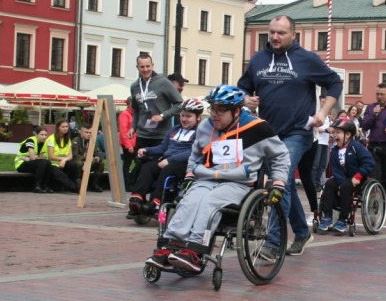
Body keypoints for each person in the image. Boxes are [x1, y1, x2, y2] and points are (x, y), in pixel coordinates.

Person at [143, 85, 290, 273]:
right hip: (206, 179)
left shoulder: (257, 128)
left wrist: (278, 183)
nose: (214, 115)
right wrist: (189, 175)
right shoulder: (205, 127)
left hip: (238, 183)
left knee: (210, 202)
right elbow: (195, 154)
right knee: (189, 201)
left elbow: (280, 155)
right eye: (212, 109)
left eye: (220, 111)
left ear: (236, 111)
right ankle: (170, 246)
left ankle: (195, 250)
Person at [238, 15, 342, 258]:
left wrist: (323, 112)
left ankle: (274, 243)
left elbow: (334, 82)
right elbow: (242, 87)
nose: (275, 36)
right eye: (272, 31)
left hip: (298, 132)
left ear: (293, 35)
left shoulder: (307, 59)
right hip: (268, 133)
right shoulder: (258, 59)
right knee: (285, 186)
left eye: (281, 33)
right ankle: (301, 233)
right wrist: (245, 99)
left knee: (279, 179)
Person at [127, 98, 204, 222]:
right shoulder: (174, 130)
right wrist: (147, 150)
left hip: (184, 163)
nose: (184, 119)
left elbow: (193, 152)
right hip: (166, 159)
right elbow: (163, 147)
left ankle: (157, 203)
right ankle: (137, 199)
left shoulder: (200, 132)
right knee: (147, 167)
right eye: (182, 115)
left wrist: (170, 160)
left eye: (188, 116)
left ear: (198, 118)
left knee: (167, 170)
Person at [317, 119, 375, 234]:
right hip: (342, 178)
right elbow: (336, 169)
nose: (334, 135)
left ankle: (343, 219)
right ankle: (327, 216)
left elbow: (369, 163)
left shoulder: (356, 147)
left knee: (346, 186)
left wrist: (358, 176)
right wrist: (339, 184)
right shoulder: (334, 150)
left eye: (338, 132)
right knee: (329, 184)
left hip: (357, 178)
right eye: (333, 132)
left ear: (348, 134)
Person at [129, 51, 183, 150]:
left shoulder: (163, 82)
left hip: (161, 135)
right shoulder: (134, 86)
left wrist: (163, 116)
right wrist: (133, 127)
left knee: (156, 165)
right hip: (142, 135)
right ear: (137, 67)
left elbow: (180, 104)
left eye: (147, 66)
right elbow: (136, 109)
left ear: (152, 65)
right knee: (140, 164)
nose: (145, 69)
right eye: (142, 67)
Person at [360, 83, 386, 202]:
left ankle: (383, 202)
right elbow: (364, 125)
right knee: (374, 175)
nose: (379, 97)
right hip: (374, 145)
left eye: (382, 94)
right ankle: (372, 201)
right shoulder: (371, 108)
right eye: (377, 94)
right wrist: (374, 115)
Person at [15, 125, 54, 194]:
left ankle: (45, 186)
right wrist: (33, 157)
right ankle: (37, 186)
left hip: (30, 162)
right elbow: (33, 157)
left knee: (47, 163)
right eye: (42, 135)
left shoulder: (44, 143)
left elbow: (39, 157)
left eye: (45, 135)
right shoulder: (31, 140)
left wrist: (31, 158)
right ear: (36, 134)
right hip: (21, 164)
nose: (44, 137)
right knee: (43, 163)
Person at [45, 119, 78, 192]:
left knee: (73, 165)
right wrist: (62, 160)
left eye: (67, 126)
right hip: (51, 164)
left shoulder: (67, 139)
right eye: (63, 127)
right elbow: (51, 156)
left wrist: (64, 160)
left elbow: (70, 156)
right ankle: (74, 188)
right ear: (58, 128)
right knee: (61, 175)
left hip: (62, 162)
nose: (65, 128)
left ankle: (75, 184)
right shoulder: (51, 138)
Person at [71, 126, 105, 193]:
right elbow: (75, 155)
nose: (89, 134)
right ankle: (78, 184)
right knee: (79, 163)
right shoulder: (76, 140)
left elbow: (97, 152)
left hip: (89, 162)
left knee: (100, 164)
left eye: (90, 133)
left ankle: (95, 184)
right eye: (86, 132)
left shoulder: (91, 142)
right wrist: (86, 158)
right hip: (78, 162)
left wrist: (97, 158)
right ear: (81, 132)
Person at [118, 104, 135, 181]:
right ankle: (127, 182)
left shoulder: (135, 114)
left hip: (135, 142)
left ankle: (130, 180)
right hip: (129, 143)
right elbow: (123, 131)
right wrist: (129, 145)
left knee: (137, 163)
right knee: (127, 163)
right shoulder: (125, 114)